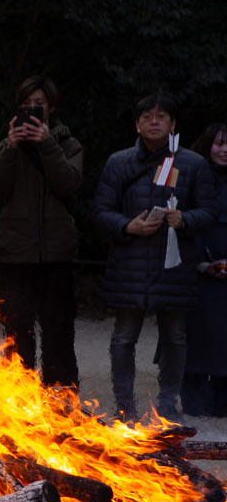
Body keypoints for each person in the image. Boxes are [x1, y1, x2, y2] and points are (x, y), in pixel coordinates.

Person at [92, 92, 214, 422]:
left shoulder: (192, 163)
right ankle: (124, 407)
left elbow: (209, 211)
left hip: (174, 265)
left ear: (173, 124)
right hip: (129, 264)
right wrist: (127, 225)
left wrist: (185, 219)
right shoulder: (119, 162)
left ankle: (167, 406)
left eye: (161, 116)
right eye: (147, 116)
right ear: (137, 123)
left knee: (175, 337)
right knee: (123, 338)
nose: (154, 121)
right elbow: (101, 211)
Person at [0, 76, 83, 389]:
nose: (32, 110)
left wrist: (46, 144)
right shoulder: (6, 145)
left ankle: (61, 403)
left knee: (58, 334)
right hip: (16, 255)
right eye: (26, 105)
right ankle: (20, 403)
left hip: (57, 254)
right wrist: (13, 147)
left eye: (38, 105)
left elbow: (68, 185)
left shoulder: (68, 144)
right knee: (17, 336)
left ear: (51, 108)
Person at [183, 121, 227, 417]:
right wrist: (200, 262)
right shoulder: (193, 178)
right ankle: (194, 404)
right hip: (197, 274)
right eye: (220, 143)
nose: (225, 150)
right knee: (197, 342)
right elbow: (183, 223)